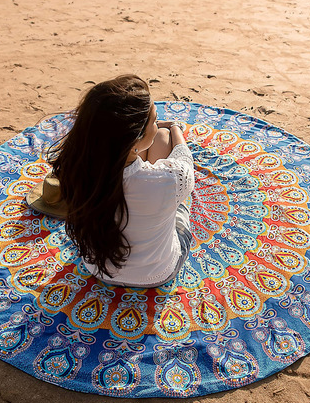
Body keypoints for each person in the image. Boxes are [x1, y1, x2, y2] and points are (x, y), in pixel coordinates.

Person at [28, 74, 194, 288]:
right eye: (154, 119)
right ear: (135, 136)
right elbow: (183, 156)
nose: (156, 122)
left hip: (98, 268)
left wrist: (153, 127)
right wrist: (174, 128)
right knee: (178, 198)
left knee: (157, 141)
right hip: (157, 272)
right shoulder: (170, 179)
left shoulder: (78, 170)